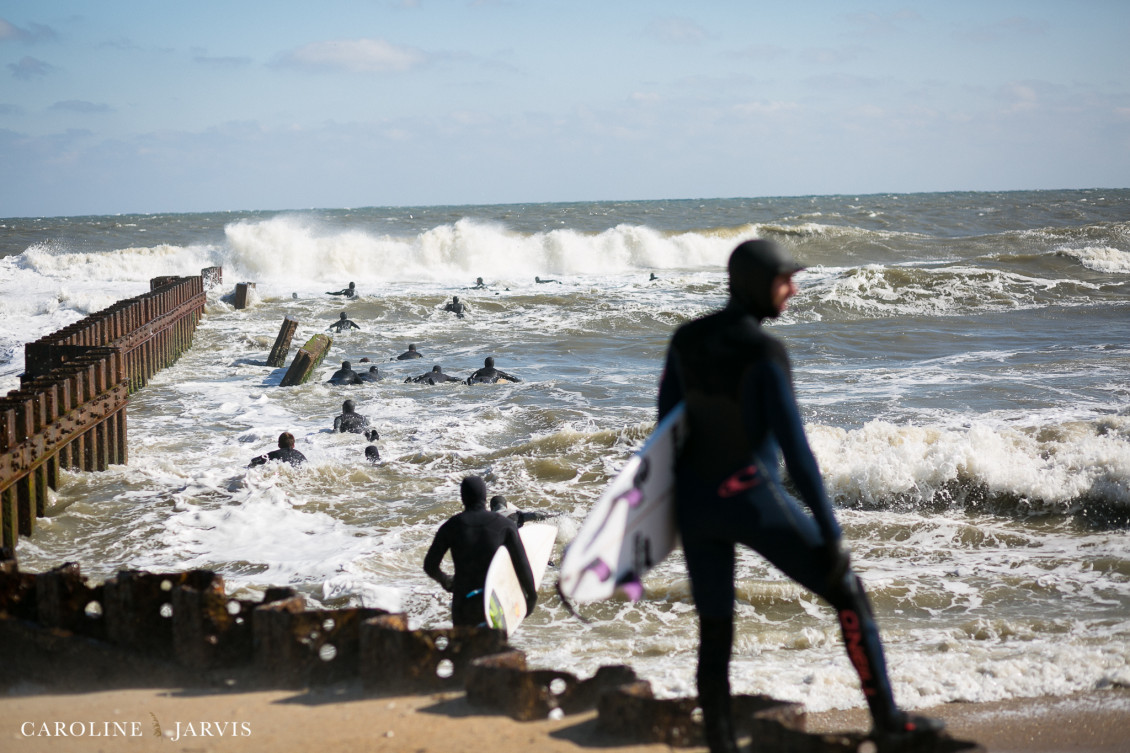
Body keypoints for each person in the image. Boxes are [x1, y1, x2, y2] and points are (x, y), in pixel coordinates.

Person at [657, 239, 943, 752]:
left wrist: (672, 515)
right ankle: (887, 723)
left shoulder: (686, 340)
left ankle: (720, 743)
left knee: (716, 630)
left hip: (698, 507)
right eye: (784, 279)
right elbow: (797, 453)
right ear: (755, 285)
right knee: (848, 592)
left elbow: (665, 436)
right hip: (752, 497)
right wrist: (832, 535)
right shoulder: (765, 352)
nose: (793, 287)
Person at [423, 476, 538, 627]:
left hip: (463, 602)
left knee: (465, 648)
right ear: (485, 497)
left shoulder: (451, 526)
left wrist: (448, 582)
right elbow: (521, 565)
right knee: (494, 648)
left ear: (463, 497)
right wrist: (531, 596)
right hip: (493, 601)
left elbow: (430, 565)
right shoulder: (504, 525)